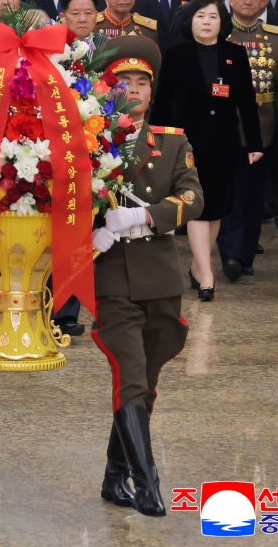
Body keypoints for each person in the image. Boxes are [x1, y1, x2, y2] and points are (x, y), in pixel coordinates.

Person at [91, 34, 202, 518]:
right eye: (123, 82)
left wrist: (141, 217)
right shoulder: (86, 142)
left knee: (147, 382)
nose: (133, 90)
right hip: (109, 274)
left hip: (161, 277)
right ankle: (147, 482)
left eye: (142, 82)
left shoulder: (173, 141)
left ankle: (115, 476)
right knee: (130, 377)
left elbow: (195, 199)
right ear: (107, 88)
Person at [150, 0, 261, 301]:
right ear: (190, 21)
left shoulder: (235, 54)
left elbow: (247, 103)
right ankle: (208, 272)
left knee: (216, 209)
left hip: (225, 142)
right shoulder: (176, 54)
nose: (207, 22)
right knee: (197, 207)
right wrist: (157, 141)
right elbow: (162, 102)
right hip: (189, 142)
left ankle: (198, 267)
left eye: (213, 16)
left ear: (221, 22)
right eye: (200, 16)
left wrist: (254, 144)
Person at [216, 0, 278, 280]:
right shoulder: (217, 33)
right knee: (225, 192)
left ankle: (245, 255)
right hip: (223, 125)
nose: (247, 1)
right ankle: (230, 254)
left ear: (264, 0)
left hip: (263, 127)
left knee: (252, 195)